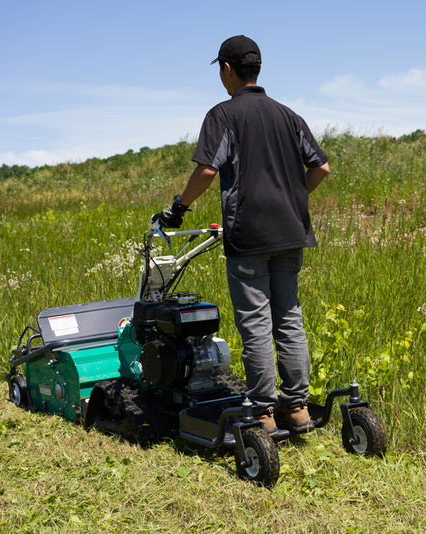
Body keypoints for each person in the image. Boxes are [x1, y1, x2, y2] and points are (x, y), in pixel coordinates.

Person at [154, 35, 330, 434]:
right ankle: (298, 407)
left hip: (249, 236)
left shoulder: (223, 115)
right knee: (289, 317)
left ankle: (264, 412)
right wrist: (295, 197)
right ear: (259, 69)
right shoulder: (289, 115)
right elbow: (321, 168)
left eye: (220, 69)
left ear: (227, 70)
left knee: (255, 322)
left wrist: (178, 208)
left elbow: (207, 170)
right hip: (292, 233)